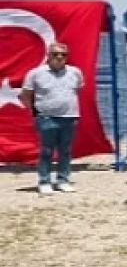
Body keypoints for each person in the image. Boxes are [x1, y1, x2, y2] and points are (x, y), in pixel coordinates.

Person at [20, 43, 84, 196]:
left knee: (66, 151)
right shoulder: (35, 73)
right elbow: (26, 94)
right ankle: (44, 181)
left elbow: (78, 90)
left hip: (69, 117)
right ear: (48, 56)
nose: (59, 57)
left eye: (63, 54)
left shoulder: (75, 72)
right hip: (46, 117)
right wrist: (35, 112)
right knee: (46, 151)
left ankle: (63, 180)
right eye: (55, 54)